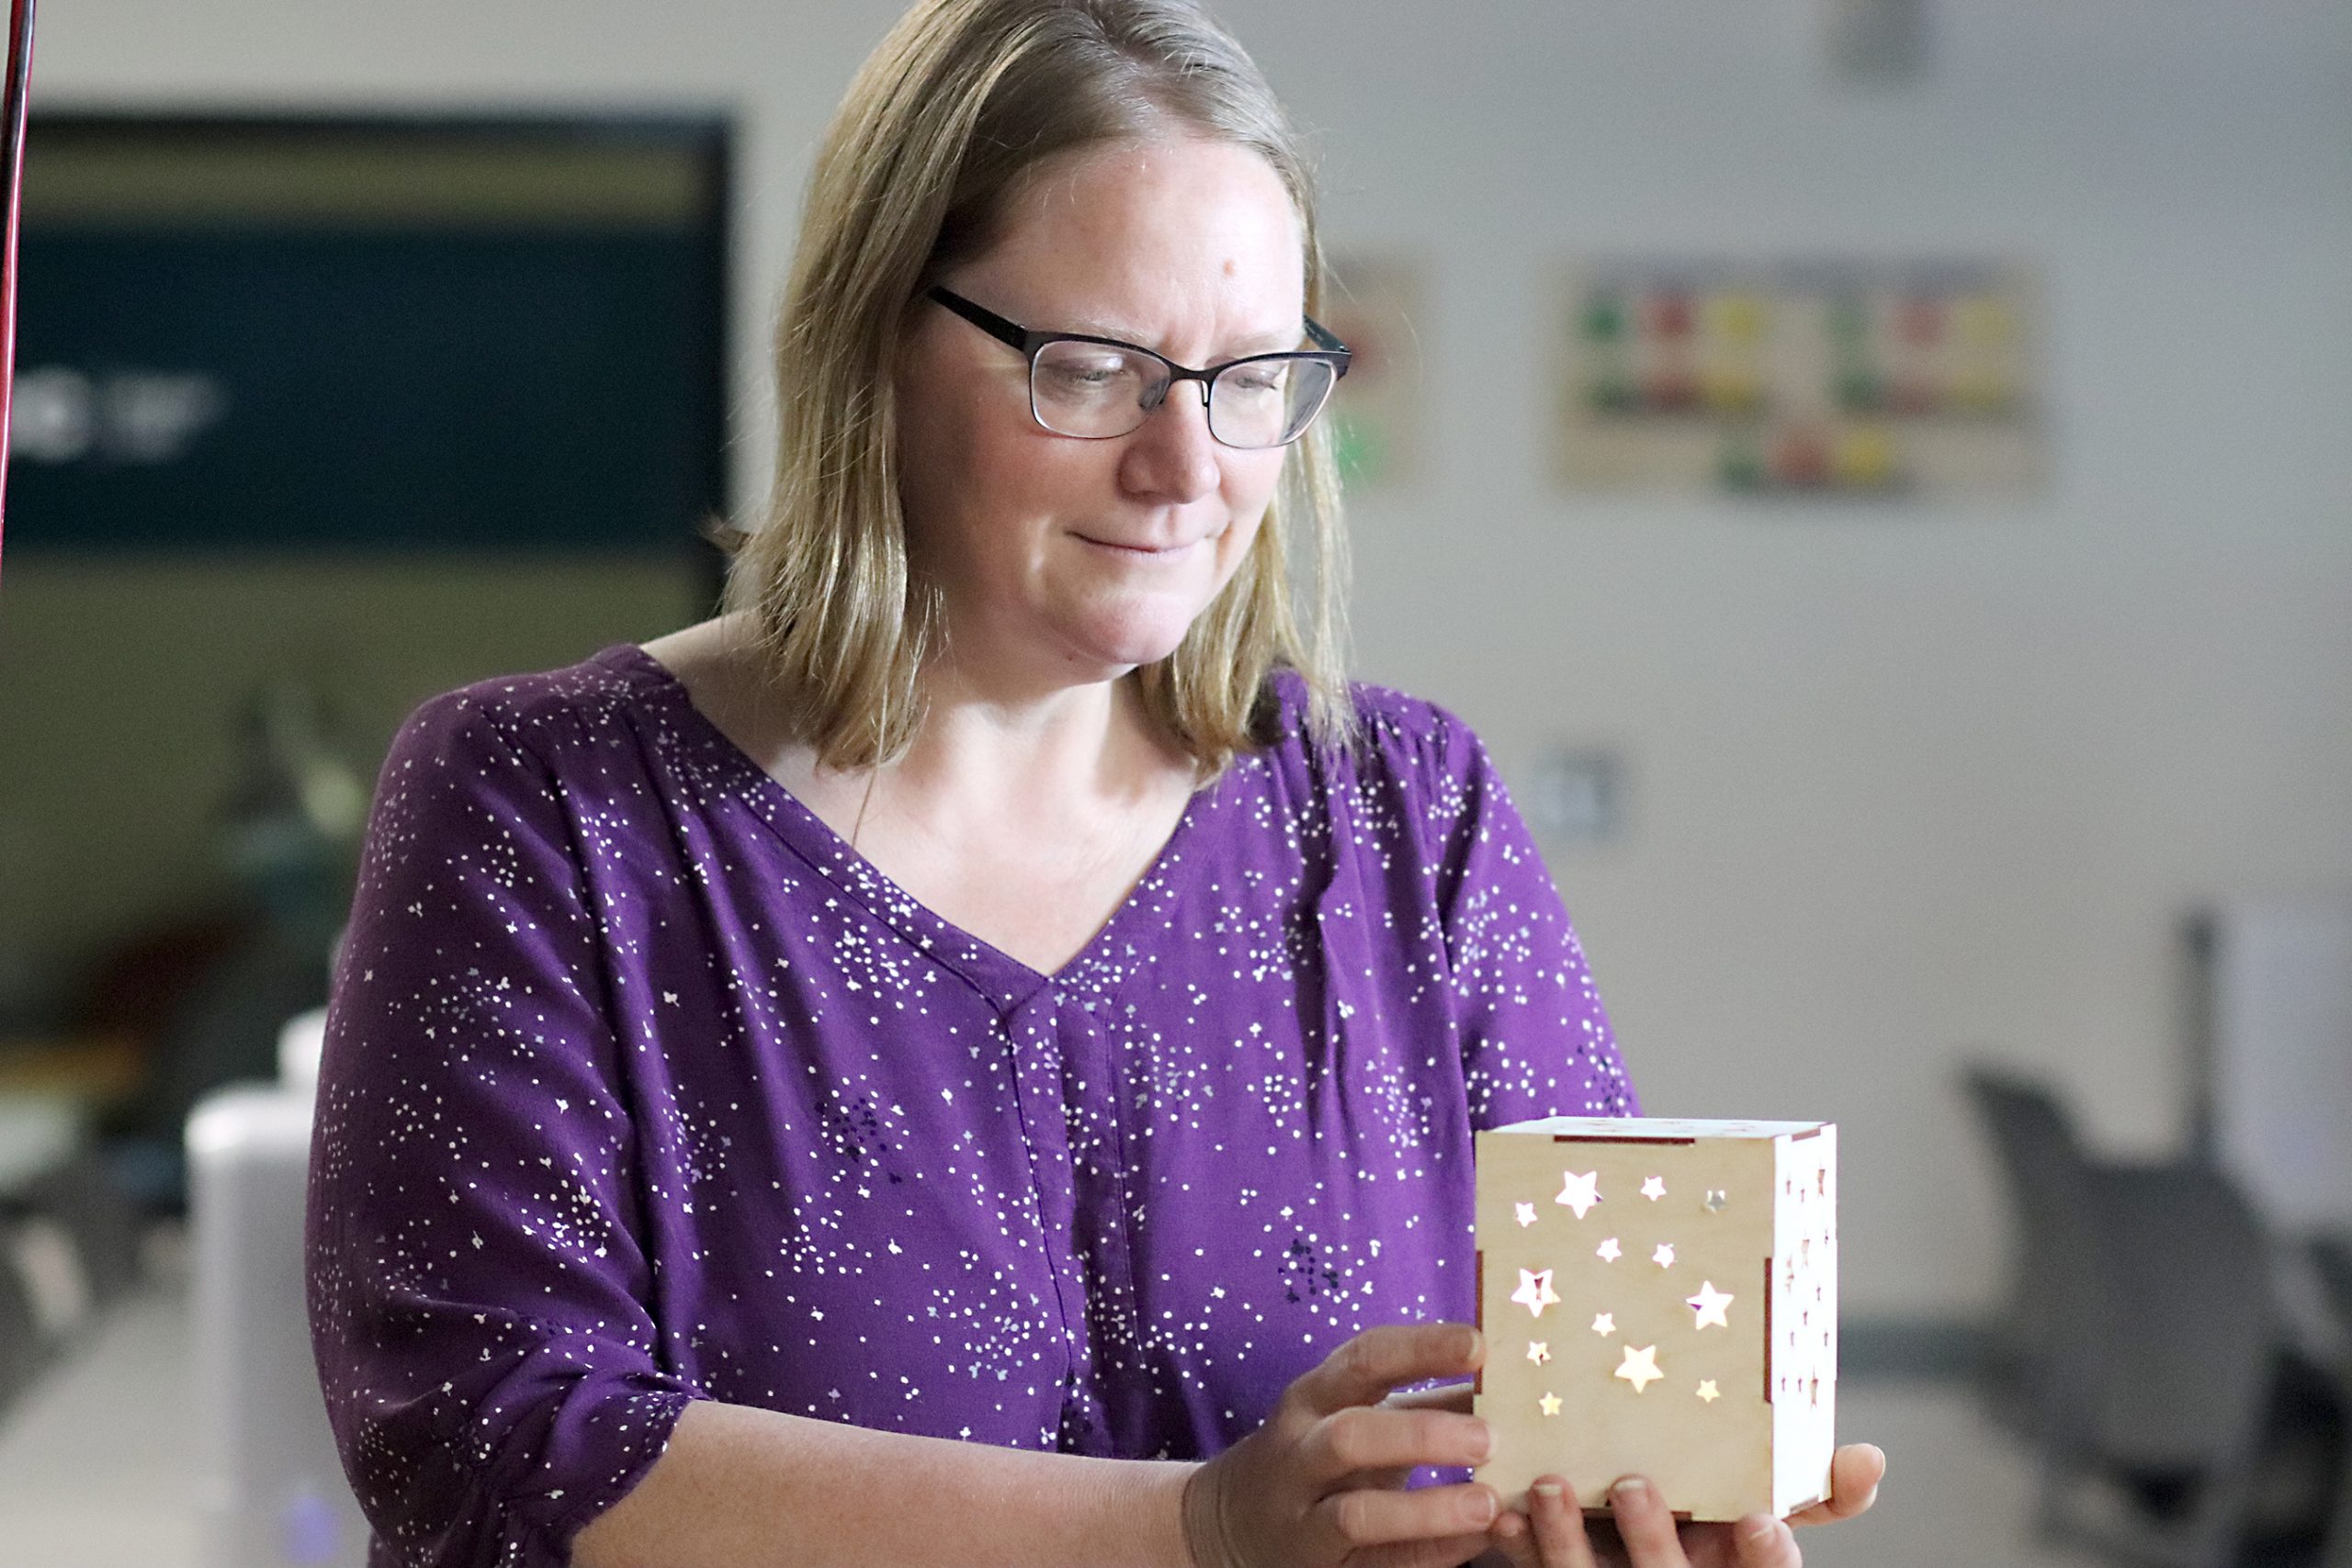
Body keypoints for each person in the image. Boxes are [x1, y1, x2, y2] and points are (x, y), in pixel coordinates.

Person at [305, 2, 1885, 1565]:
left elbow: (1561, 1401)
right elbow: (486, 1450)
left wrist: (1598, 1523)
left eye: (1250, 375)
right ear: (876, 337)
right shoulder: (549, 808)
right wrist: (1186, 1526)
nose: (1189, 470)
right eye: (1098, 367)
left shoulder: (1409, 814)